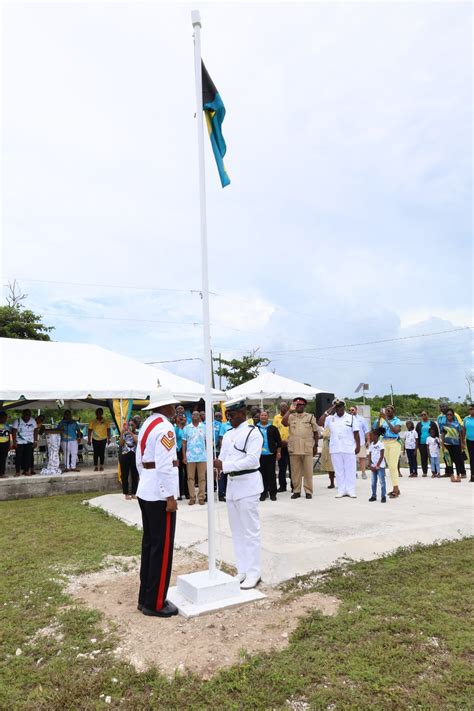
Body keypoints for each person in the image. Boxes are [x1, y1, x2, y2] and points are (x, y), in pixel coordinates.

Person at [135, 387, 180, 618]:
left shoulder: (146, 425)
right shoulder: (165, 428)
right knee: (161, 550)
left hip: (146, 489)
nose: (175, 409)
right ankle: (156, 603)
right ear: (165, 407)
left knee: (150, 546)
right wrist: (170, 496)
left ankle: (146, 597)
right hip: (160, 494)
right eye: (172, 405)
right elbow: (164, 464)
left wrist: (146, 483)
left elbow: (139, 460)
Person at [214, 399, 263, 589]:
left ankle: (254, 572)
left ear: (242, 413)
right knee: (237, 531)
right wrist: (218, 464)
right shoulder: (227, 434)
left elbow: (251, 460)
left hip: (248, 485)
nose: (229, 418)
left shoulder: (253, 432)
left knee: (251, 531)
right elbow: (223, 456)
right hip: (232, 486)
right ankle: (242, 569)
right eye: (228, 415)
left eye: (232, 415)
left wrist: (224, 465)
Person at [319, 399, 360, 498]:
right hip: (335, 448)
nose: (339, 409)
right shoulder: (330, 418)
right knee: (339, 471)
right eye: (336, 407)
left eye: (340, 406)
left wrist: (358, 446)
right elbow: (320, 423)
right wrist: (329, 410)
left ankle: (350, 490)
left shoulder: (351, 418)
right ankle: (341, 490)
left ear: (344, 407)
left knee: (350, 470)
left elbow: (356, 433)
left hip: (349, 448)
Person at [282, 397, 318, 500]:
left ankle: (308, 491)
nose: (299, 406)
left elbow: (315, 431)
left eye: (301, 405)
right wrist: (289, 410)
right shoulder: (291, 416)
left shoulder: (310, 417)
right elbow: (283, 423)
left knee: (308, 471)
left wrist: (315, 446)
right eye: (297, 405)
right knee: (295, 471)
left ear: (304, 406)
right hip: (294, 447)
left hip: (307, 447)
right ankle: (296, 491)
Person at [376, 405, 402, 499]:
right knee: (390, 467)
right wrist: (380, 419)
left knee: (393, 466)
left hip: (394, 442)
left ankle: (396, 489)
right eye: (386, 410)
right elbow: (377, 429)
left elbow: (396, 431)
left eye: (389, 410)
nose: (387, 411)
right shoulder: (382, 420)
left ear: (393, 411)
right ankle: (396, 488)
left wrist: (386, 420)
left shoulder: (397, 420)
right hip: (385, 443)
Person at [182, 411, 207, 505]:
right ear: (191, 416)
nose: (195, 415)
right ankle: (192, 497)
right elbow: (184, 443)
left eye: (197, 414)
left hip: (202, 456)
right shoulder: (186, 428)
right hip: (190, 457)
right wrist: (184, 456)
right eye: (193, 414)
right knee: (190, 478)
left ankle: (201, 497)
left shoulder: (204, 427)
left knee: (202, 478)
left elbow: (208, 441)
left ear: (199, 416)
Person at [256, 411, 282, 501]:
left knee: (271, 475)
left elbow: (279, 442)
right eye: (262, 415)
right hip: (259, 456)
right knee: (261, 475)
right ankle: (263, 493)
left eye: (265, 415)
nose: (263, 417)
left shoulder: (273, 428)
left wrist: (278, 452)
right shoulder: (255, 428)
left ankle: (273, 494)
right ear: (259, 417)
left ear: (268, 417)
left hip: (271, 454)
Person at [437, 404, 465, 478]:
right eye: (448, 414)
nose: (449, 415)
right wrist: (442, 444)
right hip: (447, 444)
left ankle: (459, 474)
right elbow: (442, 433)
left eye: (450, 414)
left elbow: (460, 432)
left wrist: (462, 442)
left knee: (457, 459)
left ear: (453, 415)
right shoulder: (442, 422)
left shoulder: (457, 423)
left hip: (456, 444)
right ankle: (451, 474)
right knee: (448, 459)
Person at [11, 409, 38, 477]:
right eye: (26, 414)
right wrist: (14, 442)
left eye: (29, 415)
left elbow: (35, 430)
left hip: (29, 441)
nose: (27, 416)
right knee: (18, 457)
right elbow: (13, 431)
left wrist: (35, 441)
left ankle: (26, 471)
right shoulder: (17, 421)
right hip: (19, 442)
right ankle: (17, 471)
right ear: (22, 414)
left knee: (28, 457)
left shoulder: (33, 421)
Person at [273, 402, 291, 492]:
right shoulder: (276, 417)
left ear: (287, 407)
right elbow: (275, 430)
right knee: (282, 467)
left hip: (291, 444)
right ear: (279, 408)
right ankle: (282, 486)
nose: (283, 407)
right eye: (281, 406)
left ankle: (294, 485)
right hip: (281, 446)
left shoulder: (291, 416)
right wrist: (279, 442)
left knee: (292, 467)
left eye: (284, 406)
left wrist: (288, 440)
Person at [120, 420, 139, 499]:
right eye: (129, 424)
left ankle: (134, 492)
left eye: (132, 425)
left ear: (135, 425)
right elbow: (121, 444)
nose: (130, 426)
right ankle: (126, 493)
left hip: (134, 454)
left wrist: (131, 433)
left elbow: (137, 442)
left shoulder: (138, 432)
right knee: (124, 474)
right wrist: (122, 434)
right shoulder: (124, 432)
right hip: (125, 454)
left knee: (135, 474)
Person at [349, 406, 369, 479]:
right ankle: (354, 473)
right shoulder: (347, 419)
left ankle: (363, 473)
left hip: (361, 442)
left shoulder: (362, 419)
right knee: (352, 459)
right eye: (350, 410)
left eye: (352, 410)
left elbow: (366, 431)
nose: (351, 411)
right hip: (350, 443)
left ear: (356, 410)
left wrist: (368, 441)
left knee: (362, 458)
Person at [415, 412, 438, 476]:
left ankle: (434, 472)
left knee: (432, 457)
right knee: (423, 458)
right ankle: (424, 472)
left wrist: (437, 442)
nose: (423, 416)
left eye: (424, 414)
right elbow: (416, 434)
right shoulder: (419, 424)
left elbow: (436, 433)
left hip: (431, 444)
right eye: (421, 415)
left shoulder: (432, 423)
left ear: (428, 415)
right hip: (422, 443)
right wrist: (416, 445)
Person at [368, 427, 387, 503]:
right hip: (373, 467)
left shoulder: (381, 444)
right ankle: (373, 495)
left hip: (380, 467)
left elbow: (381, 456)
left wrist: (377, 466)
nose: (370, 437)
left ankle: (383, 496)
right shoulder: (371, 445)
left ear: (376, 436)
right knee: (373, 482)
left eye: (371, 435)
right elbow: (369, 455)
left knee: (382, 482)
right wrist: (370, 465)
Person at [174, 413, 189, 500]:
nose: (182, 419)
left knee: (187, 473)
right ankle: (179, 493)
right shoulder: (175, 427)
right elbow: (175, 436)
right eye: (180, 418)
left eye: (183, 417)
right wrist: (178, 424)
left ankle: (187, 493)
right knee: (179, 473)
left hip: (187, 451)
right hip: (178, 452)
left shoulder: (188, 427)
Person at [217, 417, 232, 502]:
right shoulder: (224, 426)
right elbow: (221, 438)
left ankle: (228, 493)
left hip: (233, 455)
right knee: (222, 474)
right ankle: (221, 494)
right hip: (225, 453)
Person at [319, 423, 335, 489]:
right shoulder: (327, 423)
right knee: (329, 465)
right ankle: (332, 482)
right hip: (327, 447)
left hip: (338, 446)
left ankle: (343, 483)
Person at [463, 404, 474, 482]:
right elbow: (463, 430)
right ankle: (472, 475)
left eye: (473, 409)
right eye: (470, 409)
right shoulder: (466, 419)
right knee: (472, 458)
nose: (471, 410)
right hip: (469, 441)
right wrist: (462, 440)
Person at [0, 412, 11, 478]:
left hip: (5, 444)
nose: (4, 419)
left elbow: (8, 435)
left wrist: (9, 444)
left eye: (5, 418)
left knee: (3, 459)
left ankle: (2, 473)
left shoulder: (7, 425)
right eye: (3, 417)